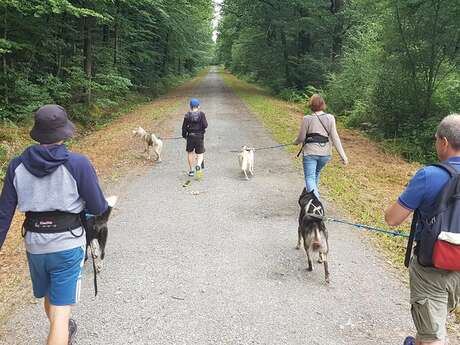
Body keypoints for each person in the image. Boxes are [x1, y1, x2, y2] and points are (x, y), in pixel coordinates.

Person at [0, 104, 108, 345]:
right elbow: (98, 207)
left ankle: (61, 333)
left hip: (35, 245)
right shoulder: (78, 164)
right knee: (61, 315)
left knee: (50, 297)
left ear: (38, 133)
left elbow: (4, 213)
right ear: (64, 133)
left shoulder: (16, 166)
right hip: (67, 244)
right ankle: (61, 334)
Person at [384, 114, 460, 345]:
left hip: (433, 265)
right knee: (432, 320)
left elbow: (392, 219)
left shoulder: (429, 175)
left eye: (436, 138)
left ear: (444, 142)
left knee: (434, 337)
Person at [293, 94, 348, 198]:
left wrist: (295, 142)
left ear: (311, 105)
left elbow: (301, 138)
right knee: (315, 174)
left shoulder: (307, 119)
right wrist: (343, 156)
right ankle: (313, 197)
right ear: (323, 104)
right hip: (325, 154)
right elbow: (335, 138)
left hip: (310, 153)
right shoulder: (330, 118)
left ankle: (315, 200)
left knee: (310, 177)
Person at [182, 98, 208, 177]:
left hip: (190, 136)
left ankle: (191, 170)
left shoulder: (187, 115)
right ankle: (199, 166)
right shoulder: (201, 114)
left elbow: (184, 127)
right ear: (198, 106)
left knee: (190, 153)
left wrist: (184, 135)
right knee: (200, 153)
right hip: (199, 136)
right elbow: (205, 125)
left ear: (190, 106)